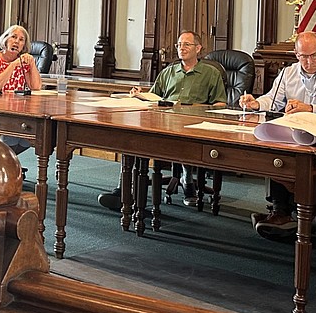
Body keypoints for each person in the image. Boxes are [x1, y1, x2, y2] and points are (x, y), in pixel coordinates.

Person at [239, 32, 316, 238]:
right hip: (294, 133)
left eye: (314, 55)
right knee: (278, 150)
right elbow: (273, 100)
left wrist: (311, 108)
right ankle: (280, 212)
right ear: (296, 54)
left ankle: (304, 215)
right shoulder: (288, 73)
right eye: (303, 56)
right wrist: (256, 103)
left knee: (310, 158)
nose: (309, 61)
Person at [97, 30, 226, 211]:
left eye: (186, 44)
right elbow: (154, 96)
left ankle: (188, 183)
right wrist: (140, 95)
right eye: (179, 45)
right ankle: (123, 191)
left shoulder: (211, 73)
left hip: (193, 123)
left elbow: (220, 104)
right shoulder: (169, 72)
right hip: (164, 120)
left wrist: (194, 108)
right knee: (133, 137)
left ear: (198, 48)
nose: (181, 48)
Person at [0, 24, 43, 155]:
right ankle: (2, 160)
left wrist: (32, 64)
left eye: (21, 39)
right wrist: (12, 65)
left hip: (16, 107)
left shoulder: (23, 61)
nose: (17, 42)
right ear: (5, 39)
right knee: (12, 136)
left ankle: (4, 160)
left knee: (28, 137)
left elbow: (36, 87)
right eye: (14, 37)